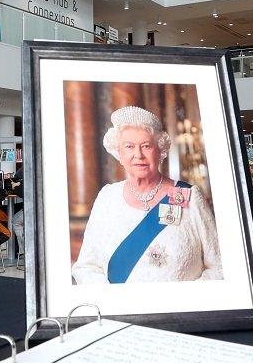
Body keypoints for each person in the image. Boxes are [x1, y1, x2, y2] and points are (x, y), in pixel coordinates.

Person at [72, 106, 222, 284]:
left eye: (146, 146)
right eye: (129, 147)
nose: (138, 155)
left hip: (180, 310)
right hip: (123, 310)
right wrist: (114, 303)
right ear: (119, 153)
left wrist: (182, 302)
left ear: (161, 151)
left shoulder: (188, 196)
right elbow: (86, 267)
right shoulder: (107, 198)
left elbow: (219, 267)